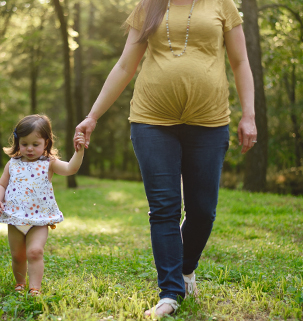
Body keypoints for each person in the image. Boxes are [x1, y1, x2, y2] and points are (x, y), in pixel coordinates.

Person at [74, 0, 257, 317]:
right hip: (151, 121)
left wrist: (249, 116)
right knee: (164, 207)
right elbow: (124, 66)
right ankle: (170, 293)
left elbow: (240, 62)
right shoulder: (148, 7)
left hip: (210, 122)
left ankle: (186, 269)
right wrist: (92, 116)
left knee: (203, 210)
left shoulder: (221, 5)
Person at [0, 114, 85, 296]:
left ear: (46, 143)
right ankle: (20, 283)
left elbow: (70, 169)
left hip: (39, 219)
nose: (30, 149)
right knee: (18, 255)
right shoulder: (12, 164)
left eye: (36, 144)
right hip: (15, 217)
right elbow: (1, 185)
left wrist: (79, 151)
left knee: (34, 252)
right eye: (25, 144)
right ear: (18, 142)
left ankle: (35, 288)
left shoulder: (49, 163)